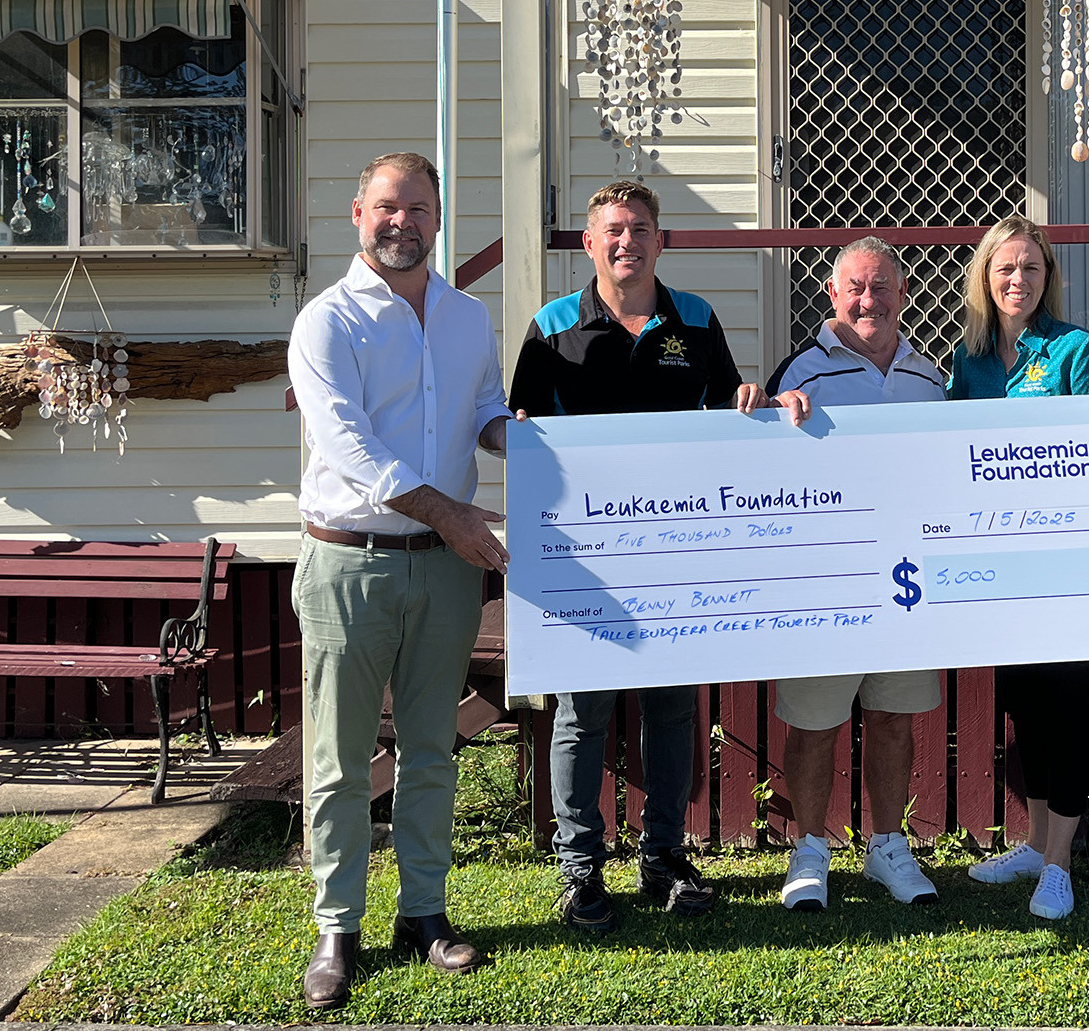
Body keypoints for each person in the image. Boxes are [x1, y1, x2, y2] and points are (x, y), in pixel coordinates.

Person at [509, 180, 809, 932]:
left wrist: (760, 406)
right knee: (583, 711)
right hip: (585, 553)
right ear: (589, 243)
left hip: (677, 552)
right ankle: (580, 865)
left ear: (659, 240)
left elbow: (726, 412)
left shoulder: (696, 320)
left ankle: (664, 855)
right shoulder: (551, 328)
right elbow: (520, 435)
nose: (626, 242)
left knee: (671, 707)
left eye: (640, 228)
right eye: (612, 229)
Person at [287, 151, 512, 1010]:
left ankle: (423, 913)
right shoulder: (326, 322)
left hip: (443, 574)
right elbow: (349, 448)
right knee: (340, 760)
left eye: (418, 208)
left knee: (431, 752)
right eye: (387, 207)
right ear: (358, 213)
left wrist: (517, 438)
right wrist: (453, 516)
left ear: (438, 217)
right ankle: (336, 927)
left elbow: (483, 410)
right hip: (351, 563)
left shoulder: (466, 317)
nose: (402, 223)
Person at [947, 214, 1089, 922]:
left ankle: (1059, 865)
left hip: (1068, 558)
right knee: (1024, 704)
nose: (1016, 280)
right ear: (984, 278)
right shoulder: (968, 359)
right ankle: (1032, 841)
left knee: (1067, 706)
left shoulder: (1076, 350)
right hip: (1000, 562)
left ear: (1047, 276)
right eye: (1004, 269)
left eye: (1029, 268)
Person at [763, 237, 947, 912]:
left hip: (905, 583)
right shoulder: (800, 374)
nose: (868, 301)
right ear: (832, 295)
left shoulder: (930, 379)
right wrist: (771, 418)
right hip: (827, 582)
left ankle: (886, 849)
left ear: (902, 295)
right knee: (814, 723)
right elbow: (764, 472)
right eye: (855, 288)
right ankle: (809, 850)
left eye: (881, 288)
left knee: (895, 719)